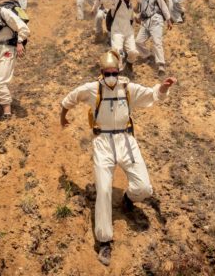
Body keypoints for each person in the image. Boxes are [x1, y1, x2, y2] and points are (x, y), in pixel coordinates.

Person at [60, 50, 176, 266]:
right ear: (101, 72)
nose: (111, 76)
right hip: (103, 143)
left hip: (126, 140)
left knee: (144, 188)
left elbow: (151, 95)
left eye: (114, 72)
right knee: (103, 190)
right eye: (107, 73)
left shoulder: (127, 88)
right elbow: (69, 99)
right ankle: (104, 241)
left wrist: (164, 87)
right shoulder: (92, 89)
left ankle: (128, 200)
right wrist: (62, 117)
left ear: (119, 71)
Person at [135, 0, 172, 75]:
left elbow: (163, 7)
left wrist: (168, 20)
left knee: (157, 42)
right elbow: (142, 11)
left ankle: (161, 65)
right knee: (138, 41)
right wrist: (139, 17)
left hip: (156, 20)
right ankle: (147, 55)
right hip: (146, 22)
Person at [107, 0, 138, 72]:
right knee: (118, 53)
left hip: (128, 31)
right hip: (117, 31)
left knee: (133, 52)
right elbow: (106, 1)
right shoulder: (117, 0)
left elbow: (131, 17)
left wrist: (136, 19)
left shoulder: (130, 3)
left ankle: (129, 64)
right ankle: (118, 72)